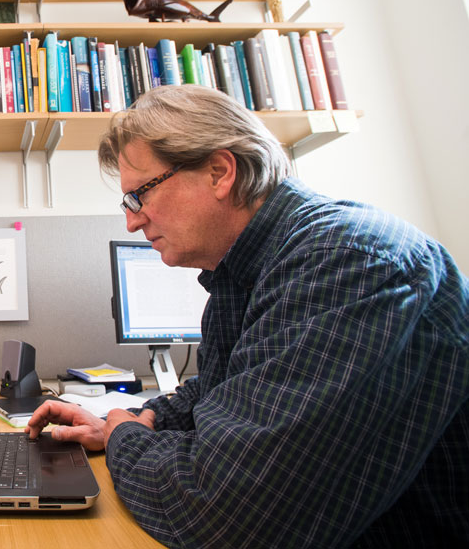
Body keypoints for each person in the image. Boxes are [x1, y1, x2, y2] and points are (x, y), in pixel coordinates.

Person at [26, 85, 469, 548]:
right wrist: (139, 417)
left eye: (139, 196)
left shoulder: (346, 261)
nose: (132, 222)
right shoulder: (249, 269)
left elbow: (221, 512)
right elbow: (227, 387)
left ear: (219, 172)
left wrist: (123, 436)